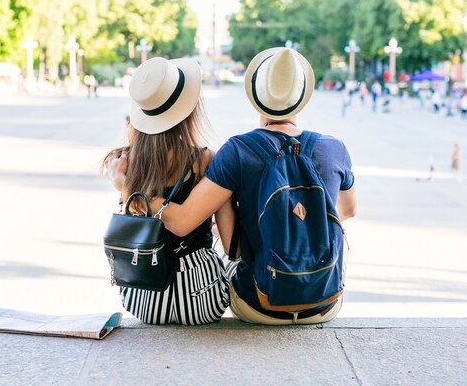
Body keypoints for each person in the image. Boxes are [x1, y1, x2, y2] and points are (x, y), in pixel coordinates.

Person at [111, 48, 357, 325]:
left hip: (259, 307)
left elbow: (232, 249)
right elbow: (346, 210)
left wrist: (126, 187)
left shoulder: (236, 152)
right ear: (302, 97)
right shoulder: (335, 149)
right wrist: (299, 223)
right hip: (323, 304)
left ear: (256, 98)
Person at [102, 57, 230, 325]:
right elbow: (229, 244)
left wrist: (127, 189)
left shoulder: (123, 162)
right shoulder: (206, 160)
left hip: (144, 299)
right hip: (202, 302)